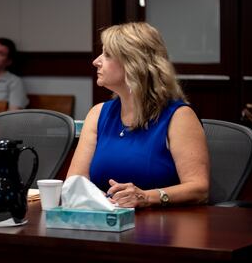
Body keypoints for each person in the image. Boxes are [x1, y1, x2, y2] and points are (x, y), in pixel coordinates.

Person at [66, 22, 209, 208]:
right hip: (105, 222)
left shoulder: (179, 117)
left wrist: (146, 197)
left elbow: (199, 189)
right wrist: (102, 200)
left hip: (163, 228)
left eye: (107, 55)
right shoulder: (98, 113)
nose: (96, 61)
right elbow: (76, 180)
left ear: (134, 63)